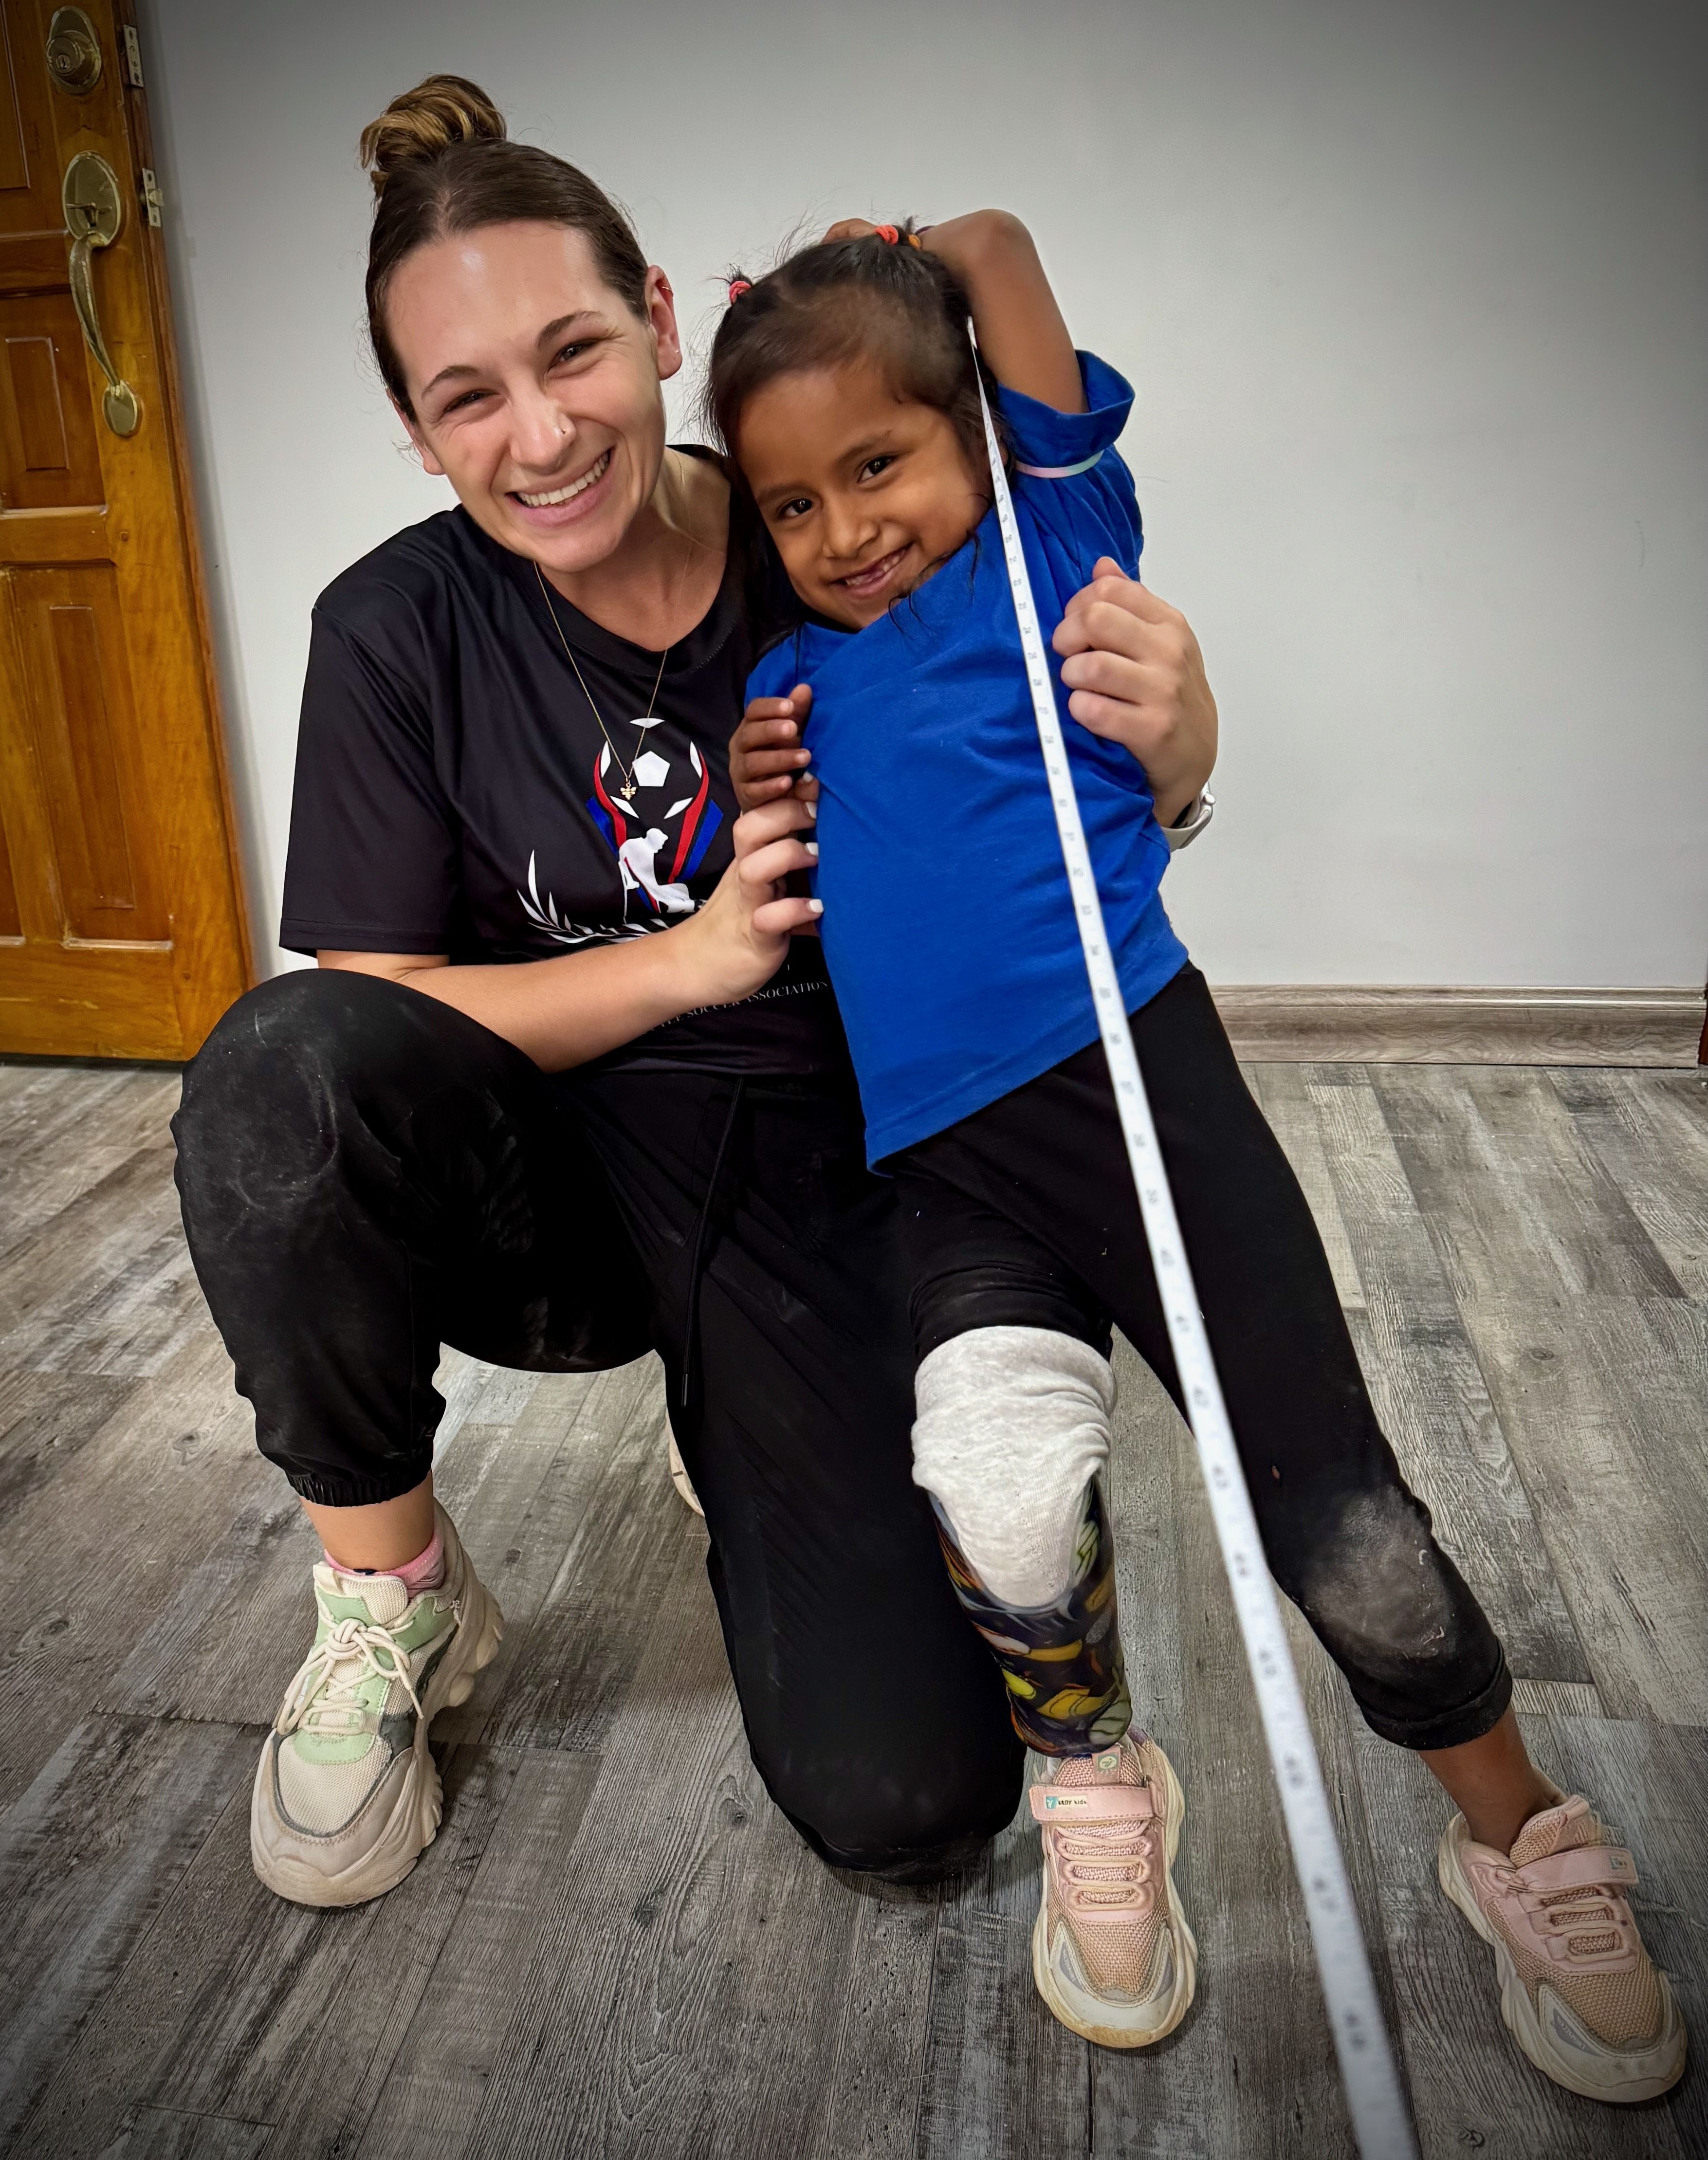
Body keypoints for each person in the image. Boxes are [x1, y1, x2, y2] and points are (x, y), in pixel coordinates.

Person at [168, 78, 1214, 1928]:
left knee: (909, 1802)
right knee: (281, 1075)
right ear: (418, 435)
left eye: (573, 350)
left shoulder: (850, 529)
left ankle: (735, 1417)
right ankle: (391, 1600)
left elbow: (1048, 797)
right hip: (560, 1173)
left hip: (842, 1172)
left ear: (658, 322)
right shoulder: (394, 633)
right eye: (466, 396)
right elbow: (381, 1003)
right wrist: (698, 955)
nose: (542, 430)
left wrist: (1183, 755)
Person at [707, 215, 1685, 2095]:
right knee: (994, 1490)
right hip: (944, 1166)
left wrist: (912, 243)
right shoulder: (792, 684)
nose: (841, 529)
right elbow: (769, 892)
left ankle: (1514, 1830)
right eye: (794, 504)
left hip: (1140, 1088)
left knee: (1343, 1521)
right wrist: (753, 801)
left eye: (880, 464)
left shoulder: (1054, 545)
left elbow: (999, 261)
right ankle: (1093, 1782)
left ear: (977, 437)